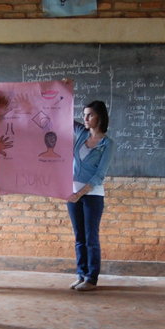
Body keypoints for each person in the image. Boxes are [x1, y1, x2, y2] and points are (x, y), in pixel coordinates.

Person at [67, 101, 115, 292]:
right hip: (73, 194)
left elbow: (99, 175)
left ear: (100, 117)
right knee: (79, 236)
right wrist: (64, 88)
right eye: (84, 115)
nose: (85, 119)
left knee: (90, 237)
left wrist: (80, 193)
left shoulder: (107, 143)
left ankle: (91, 278)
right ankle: (81, 274)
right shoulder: (81, 134)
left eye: (90, 115)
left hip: (92, 195)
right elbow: (64, 116)